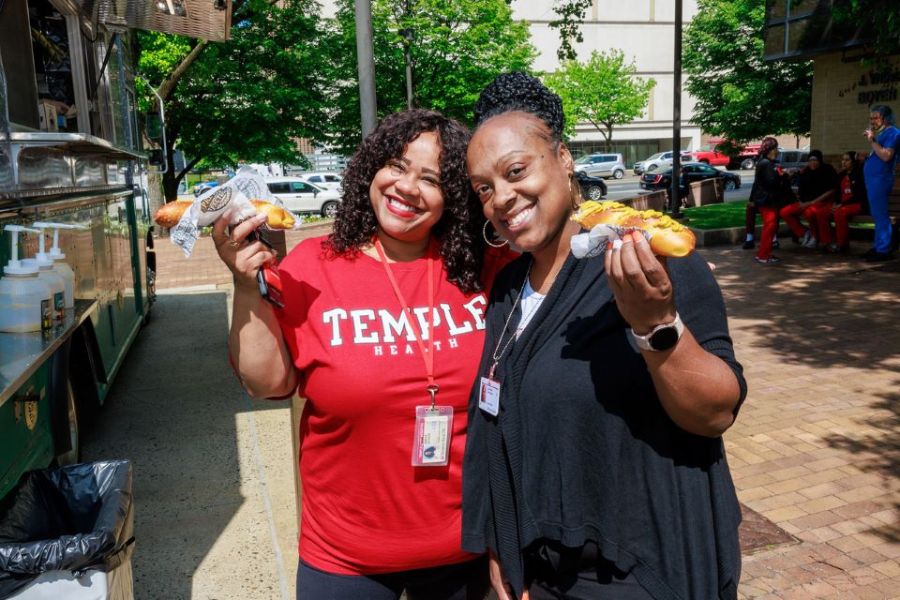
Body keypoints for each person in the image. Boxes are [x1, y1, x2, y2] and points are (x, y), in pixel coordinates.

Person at [463, 72, 747, 600]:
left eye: (516, 171)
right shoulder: (508, 288)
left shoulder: (647, 258)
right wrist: (501, 543)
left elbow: (714, 414)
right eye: (484, 187)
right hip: (545, 571)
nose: (501, 197)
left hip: (640, 571)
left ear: (565, 158)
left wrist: (656, 326)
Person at [213, 109, 511, 599]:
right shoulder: (311, 265)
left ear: (454, 196)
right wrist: (247, 288)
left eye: (432, 178)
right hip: (345, 557)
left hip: (469, 549)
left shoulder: (485, 270)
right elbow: (267, 383)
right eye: (396, 165)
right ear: (370, 169)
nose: (407, 187)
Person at [779, 149, 838, 249]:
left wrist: (813, 202)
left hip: (823, 202)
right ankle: (806, 233)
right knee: (784, 212)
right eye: (810, 160)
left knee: (810, 213)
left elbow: (832, 190)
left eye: (815, 160)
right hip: (806, 203)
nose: (812, 163)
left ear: (820, 160)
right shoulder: (806, 171)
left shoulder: (827, 169)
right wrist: (802, 201)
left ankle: (821, 239)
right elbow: (800, 189)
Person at [861, 104, 898, 261]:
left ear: (885, 118)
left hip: (881, 179)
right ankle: (878, 246)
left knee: (881, 215)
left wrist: (871, 141)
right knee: (877, 215)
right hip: (874, 180)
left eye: (875, 117)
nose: (872, 121)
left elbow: (886, 156)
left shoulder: (894, 133)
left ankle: (883, 250)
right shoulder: (883, 134)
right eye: (871, 118)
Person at [749, 137, 790, 264]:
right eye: (776, 148)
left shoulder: (765, 162)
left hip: (766, 200)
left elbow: (758, 183)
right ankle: (763, 256)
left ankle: (763, 253)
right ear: (771, 149)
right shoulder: (766, 164)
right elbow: (771, 182)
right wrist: (783, 176)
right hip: (767, 201)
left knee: (769, 228)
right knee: (769, 228)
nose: (777, 151)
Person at [821, 151, 868, 254]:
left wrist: (841, 205)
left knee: (839, 212)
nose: (843, 162)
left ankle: (842, 245)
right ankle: (827, 243)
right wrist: (835, 203)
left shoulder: (860, 174)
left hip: (858, 204)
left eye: (847, 160)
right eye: (843, 160)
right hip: (843, 205)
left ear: (854, 162)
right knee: (822, 212)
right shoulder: (841, 175)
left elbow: (860, 195)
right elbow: (838, 193)